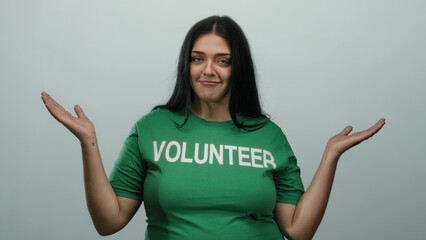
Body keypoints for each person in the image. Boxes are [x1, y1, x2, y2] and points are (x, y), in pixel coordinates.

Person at [41, 16, 385, 240]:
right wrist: (88, 142)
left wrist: (330, 155)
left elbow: (297, 230)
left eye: (223, 60)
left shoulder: (268, 136)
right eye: (197, 58)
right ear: (186, 64)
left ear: (239, 68)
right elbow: (108, 222)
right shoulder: (152, 128)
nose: (209, 70)